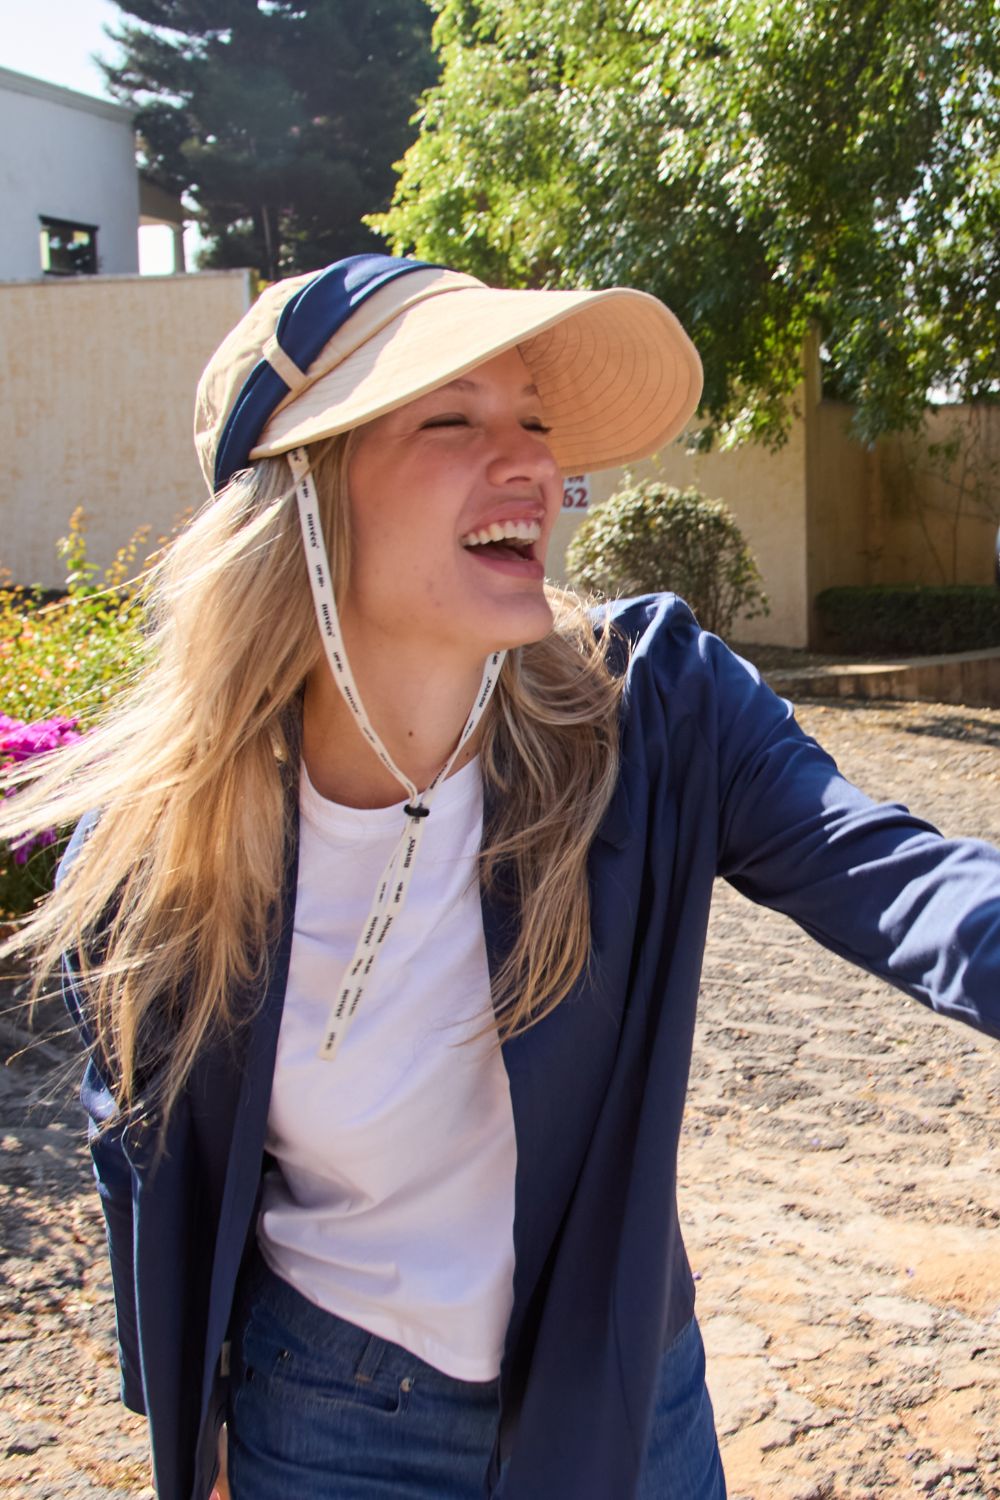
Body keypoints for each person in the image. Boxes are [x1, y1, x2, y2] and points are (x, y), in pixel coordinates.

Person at [2, 253, 999, 1500]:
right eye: (452, 417)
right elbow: (139, 1146)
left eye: (531, 417)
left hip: (623, 1400)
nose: (531, 461)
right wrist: (185, 1407)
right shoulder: (160, 853)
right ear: (305, 496)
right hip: (324, 1417)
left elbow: (903, 879)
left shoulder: (655, 709)